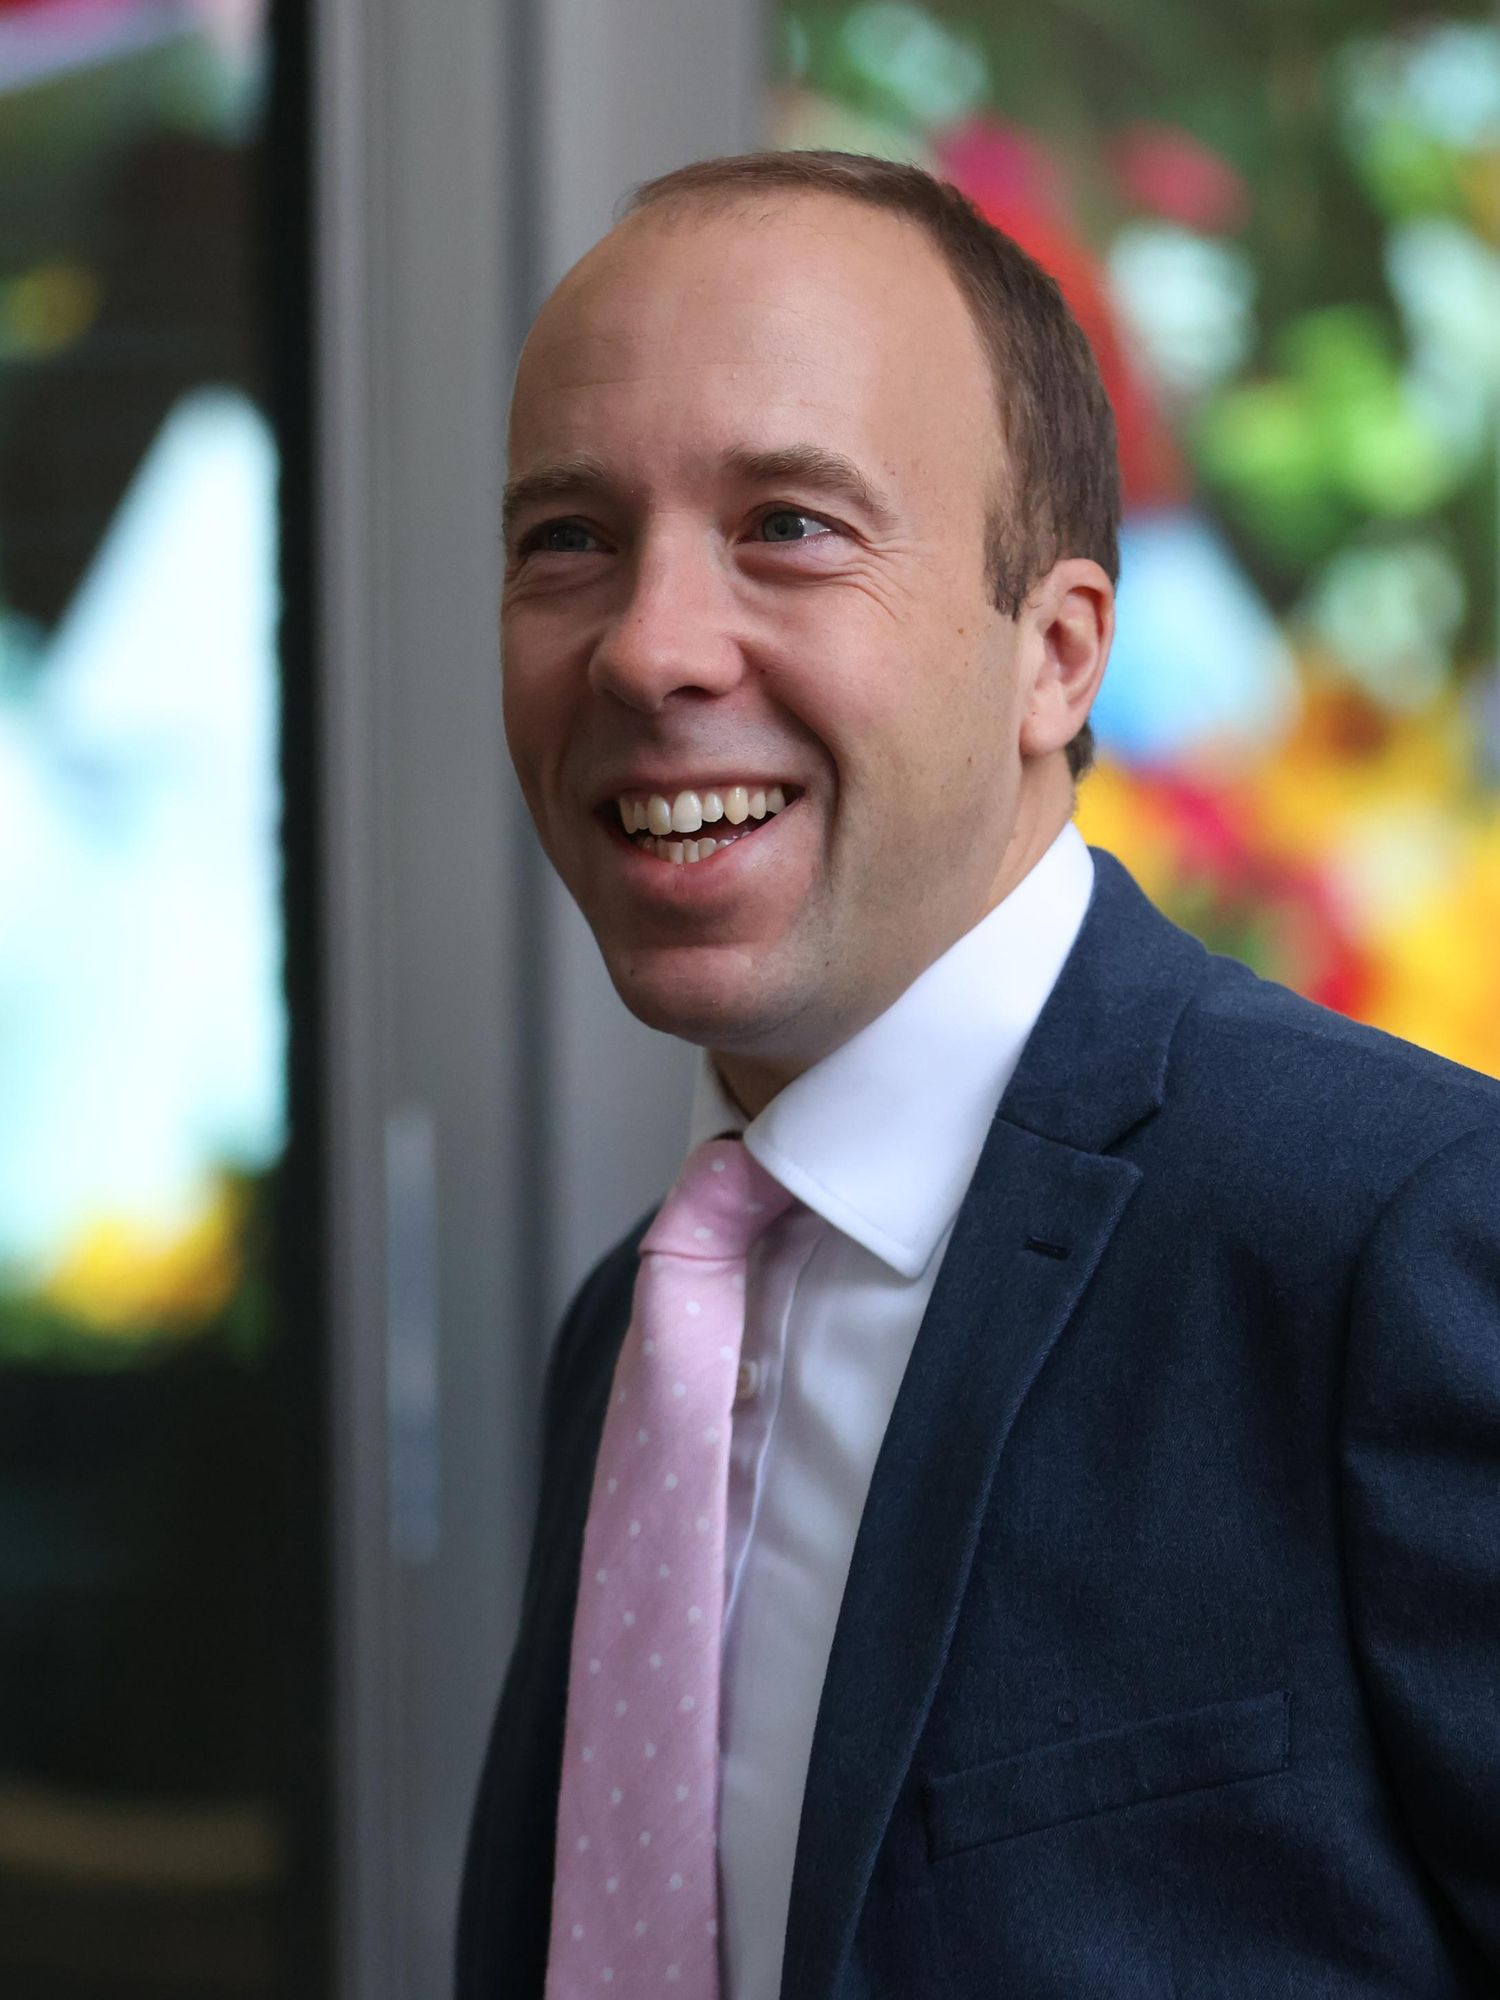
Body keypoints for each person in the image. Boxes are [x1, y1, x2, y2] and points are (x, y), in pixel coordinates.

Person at [456, 151, 1500, 2000]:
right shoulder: (633, 1333)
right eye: (569, 541)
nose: (646, 644)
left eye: (788, 524)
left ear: (1060, 652)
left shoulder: (1400, 1243)